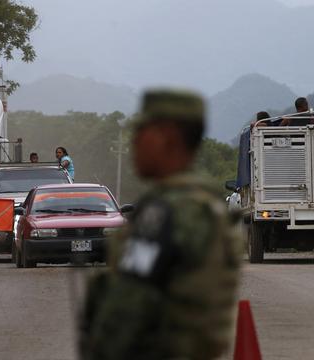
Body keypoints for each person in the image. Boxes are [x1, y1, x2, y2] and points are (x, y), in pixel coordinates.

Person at [79, 89, 242, 360]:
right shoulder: (205, 201)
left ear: (166, 136)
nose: (134, 144)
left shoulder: (167, 211)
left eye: (140, 133)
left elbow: (129, 303)